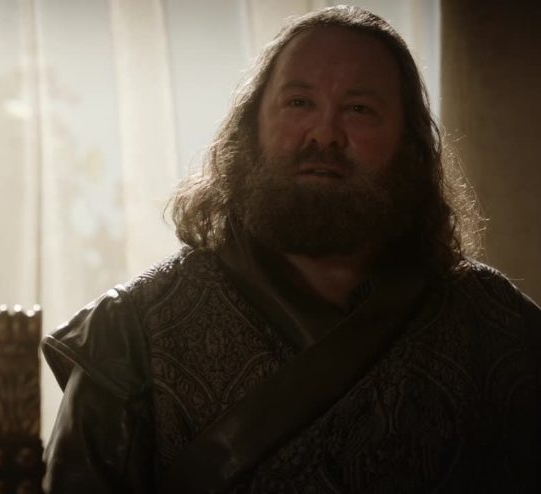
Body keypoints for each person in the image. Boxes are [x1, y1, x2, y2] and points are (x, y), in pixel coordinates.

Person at [41, 5, 540, 493]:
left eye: (359, 109)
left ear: (408, 145)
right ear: (251, 126)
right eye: (299, 102)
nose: (324, 134)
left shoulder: (495, 326)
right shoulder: (127, 335)